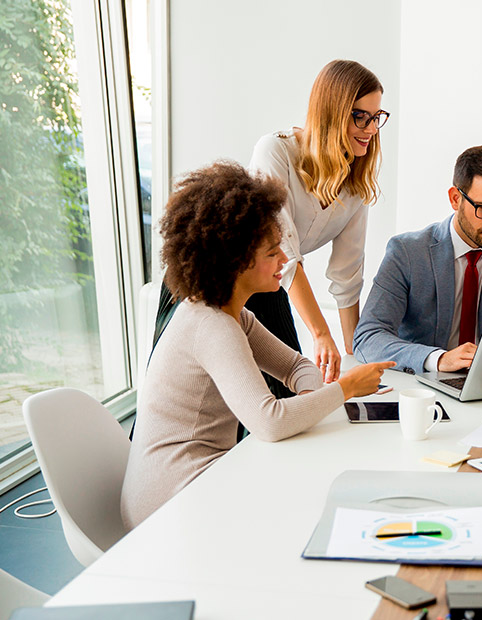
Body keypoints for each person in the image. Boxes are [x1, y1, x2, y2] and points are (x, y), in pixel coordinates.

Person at [121, 162, 394, 529]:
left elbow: (297, 368)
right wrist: (344, 389)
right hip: (171, 503)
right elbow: (268, 421)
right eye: (271, 252)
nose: (285, 259)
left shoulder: (231, 314)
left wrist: (312, 398)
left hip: (202, 480)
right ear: (235, 261)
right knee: (306, 505)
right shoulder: (210, 325)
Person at [247, 59, 389, 393]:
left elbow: (347, 275)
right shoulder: (276, 151)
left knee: (288, 393)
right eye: (360, 116)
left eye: (376, 117)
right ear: (331, 113)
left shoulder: (355, 183)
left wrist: (356, 358)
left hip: (268, 287)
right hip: (215, 284)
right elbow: (285, 251)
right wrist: (322, 335)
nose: (371, 128)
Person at [353, 145, 482, 372]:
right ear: (455, 199)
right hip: (425, 389)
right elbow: (368, 338)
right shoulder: (407, 252)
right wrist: (438, 359)